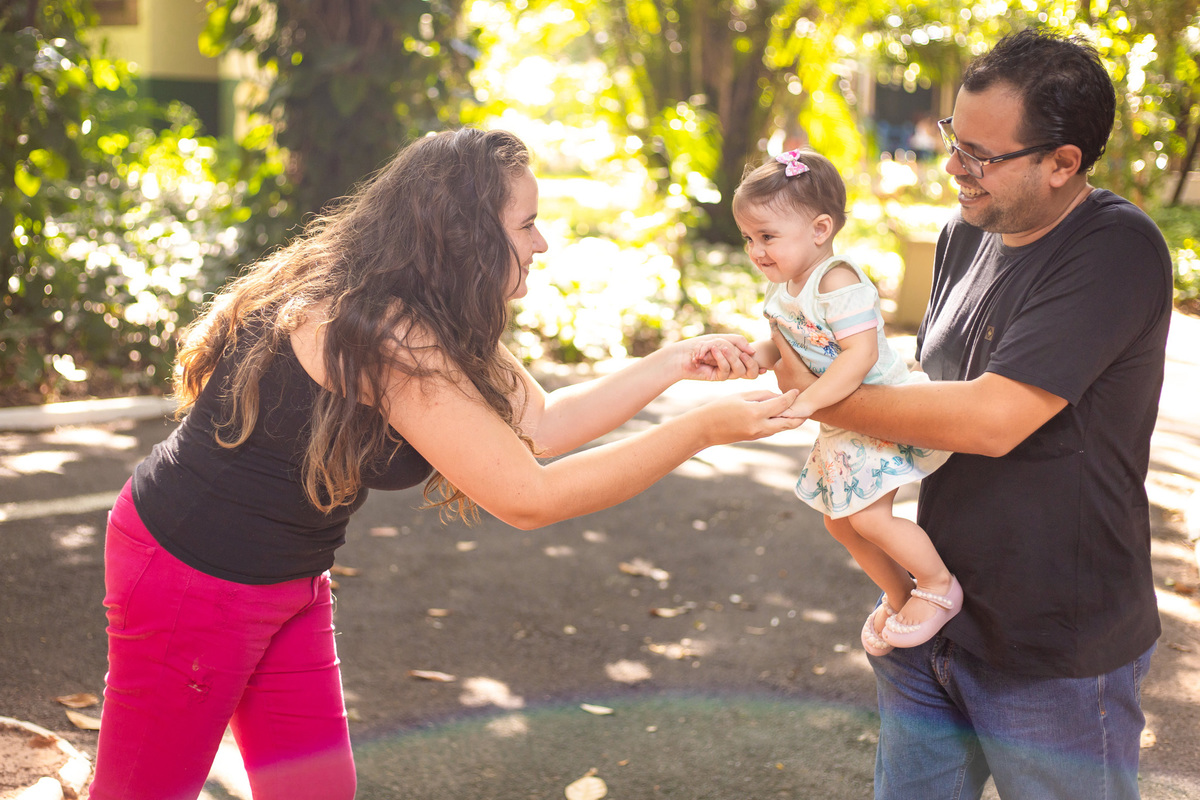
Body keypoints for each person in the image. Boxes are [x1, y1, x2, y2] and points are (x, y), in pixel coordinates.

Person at [89, 127, 804, 800]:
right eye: (527, 224)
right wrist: (703, 429)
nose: (543, 242)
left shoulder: (421, 304)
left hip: (289, 578)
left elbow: (544, 424)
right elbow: (529, 497)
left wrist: (674, 363)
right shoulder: (378, 332)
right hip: (190, 575)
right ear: (464, 235)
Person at [769, 29, 1172, 799]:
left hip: (1056, 644)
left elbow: (989, 421)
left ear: (1064, 163)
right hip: (938, 615)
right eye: (957, 136)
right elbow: (923, 391)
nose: (952, 165)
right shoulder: (965, 232)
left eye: (981, 155)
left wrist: (819, 395)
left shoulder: (1117, 249)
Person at [697, 148, 955, 658]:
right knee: (839, 521)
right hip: (840, 419)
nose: (756, 250)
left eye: (767, 236)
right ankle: (901, 594)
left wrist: (807, 403)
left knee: (871, 519)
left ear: (819, 230)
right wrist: (756, 355)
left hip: (878, 411)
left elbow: (858, 355)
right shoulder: (787, 288)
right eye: (749, 238)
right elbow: (790, 343)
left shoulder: (838, 280)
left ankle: (938, 584)